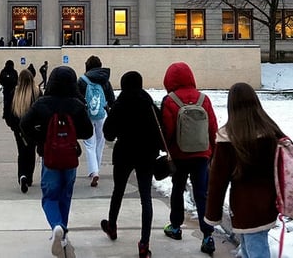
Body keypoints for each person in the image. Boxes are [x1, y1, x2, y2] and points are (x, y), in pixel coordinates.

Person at [205, 82, 286, 258]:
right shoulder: (271, 132)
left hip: (243, 206)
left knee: (255, 250)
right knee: (251, 247)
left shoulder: (228, 138)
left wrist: (212, 214)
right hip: (267, 204)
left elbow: (217, 182)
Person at [20, 66, 93, 258]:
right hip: (70, 157)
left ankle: (57, 227)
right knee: (65, 196)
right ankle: (63, 235)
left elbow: (24, 124)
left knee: (50, 197)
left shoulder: (43, 103)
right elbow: (88, 132)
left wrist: (42, 139)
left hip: (50, 156)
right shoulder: (77, 105)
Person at [101, 71, 163, 258]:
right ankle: (144, 243)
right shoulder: (149, 103)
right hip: (146, 154)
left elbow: (109, 134)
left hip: (124, 154)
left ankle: (112, 226)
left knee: (118, 191)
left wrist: (112, 115)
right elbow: (161, 127)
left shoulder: (121, 103)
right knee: (146, 197)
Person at [160, 61, 218, 254]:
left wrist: (168, 150)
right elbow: (212, 127)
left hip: (180, 155)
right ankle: (208, 235)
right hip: (202, 154)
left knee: (177, 190)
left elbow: (167, 130)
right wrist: (213, 151)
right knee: (202, 194)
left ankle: (175, 226)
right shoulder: (204, 98)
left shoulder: (170, 100)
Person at [77, 55, 115, 187]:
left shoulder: (82, 80)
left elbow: (78, 99)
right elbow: (111, 98)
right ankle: (96, 169)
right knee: (100, 142)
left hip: (88, 115)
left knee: (89, 144)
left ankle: (94, 171)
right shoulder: (105, 80)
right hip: (102, 115)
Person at [4, 69, 41, 193]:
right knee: (31, 151)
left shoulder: (14, 93)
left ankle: (22, 175)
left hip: (18, 128)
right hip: (33, 128)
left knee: (21, 152)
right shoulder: (37, 92)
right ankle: (28, 177)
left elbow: (8, 112)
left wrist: (13, 126)